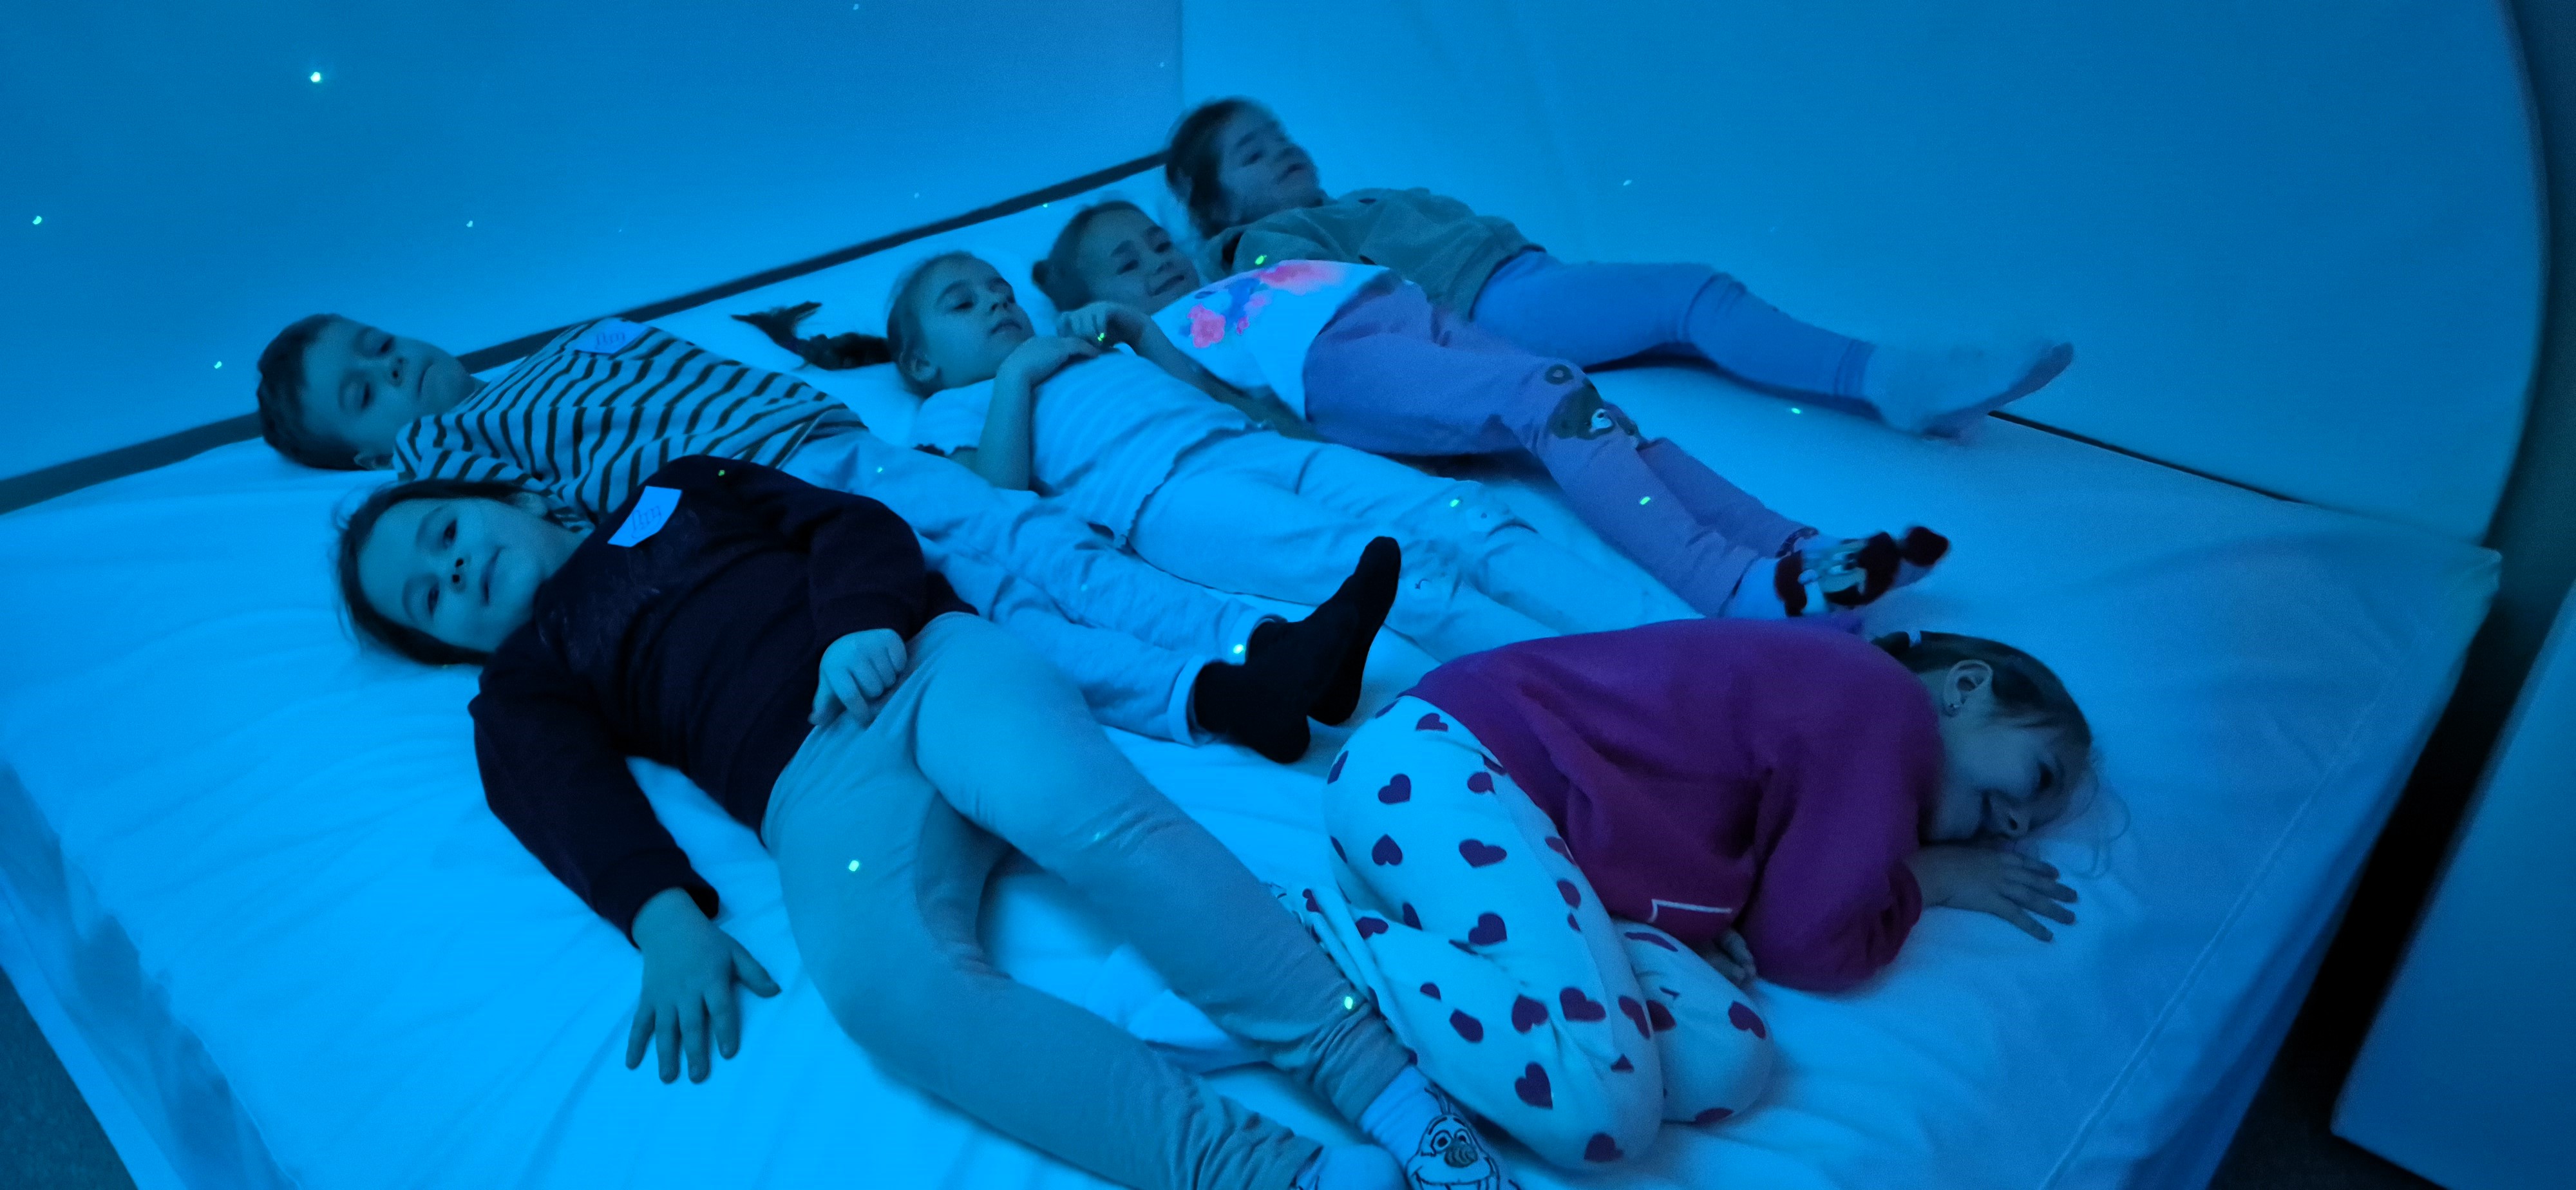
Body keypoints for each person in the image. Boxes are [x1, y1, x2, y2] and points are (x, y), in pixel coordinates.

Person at [334, 455, 1504, 1190]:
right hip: (812, 790)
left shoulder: (679, 487)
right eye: (429, 601)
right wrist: (660, 914)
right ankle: (1266, 1175)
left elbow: (848, 524)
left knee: (1075, 813)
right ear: (451, 649)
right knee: (884, 993)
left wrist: (859, 617)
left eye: (444, 535)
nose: (456, 571)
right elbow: (553, 787)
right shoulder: (531, 671)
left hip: (921, 665)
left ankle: (1387, 1090)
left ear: (517, 494)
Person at [252, 312, 1386, 759]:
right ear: (365, 456)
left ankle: (1265, 643)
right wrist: (412, 455)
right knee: (1001, 598)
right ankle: (1220, 688)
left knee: (1038, 543)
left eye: (378, 345)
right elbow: (504, 545)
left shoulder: (558, 347)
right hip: (764, 506)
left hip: (832, 443)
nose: (393, 369)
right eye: (364, 393)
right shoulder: (447, 462)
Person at [1280, 619, 2090, 1167]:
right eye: (2040, 777)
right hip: (1448, 766)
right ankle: (1295, 939)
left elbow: (1759, 889)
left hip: (1502, 833)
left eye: (2034, 823)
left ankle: (1396, 952)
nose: (2017, 823)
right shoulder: (1886, 711)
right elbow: (1806, 942)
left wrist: (1693, 915)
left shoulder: (1834, 729)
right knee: (1601, 1106)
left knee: (1725, 1057)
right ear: (1966, 686)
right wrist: (1929, 881)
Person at [1031, 200, 1949, 618]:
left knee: (1600, 420)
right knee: (1546, 400)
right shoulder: (1163, 338)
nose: (1156, 259)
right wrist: (1124, 327)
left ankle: (1799, 549)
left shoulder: (1237, 272)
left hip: (1406, 314)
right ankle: (1731, 587)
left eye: (1154, 239)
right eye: (1127, 264)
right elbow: (1221, 410)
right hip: (1334, 366)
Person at [1164, 98, 2074, 439]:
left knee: (1690, 331)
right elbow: (1329, 312)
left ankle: (1893, 390)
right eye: (1252, 154)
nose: (1281, 150)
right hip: (1490, 305)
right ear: (1215, 204)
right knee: (1692, 296)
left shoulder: (1345, 202)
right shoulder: (1262, 246)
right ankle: (1893, 379)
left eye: (1279, 134)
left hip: (1517, 280)